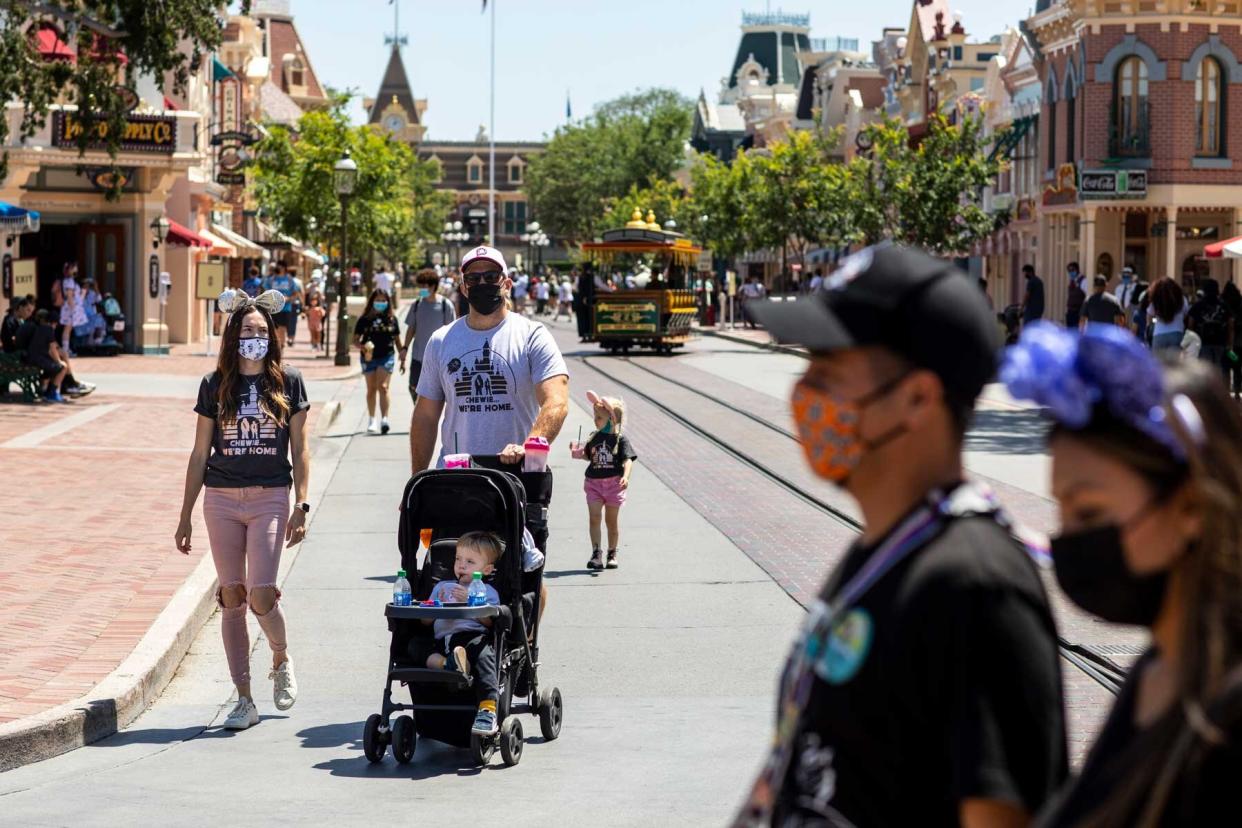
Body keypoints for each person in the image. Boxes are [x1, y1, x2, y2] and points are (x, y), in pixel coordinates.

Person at [737, 244, 1067, 827]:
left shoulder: (977, 586)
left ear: (917, 397)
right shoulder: (885, 550)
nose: (804, 391)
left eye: (829, 370)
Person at [1001, 324, 1242, 827]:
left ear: (1191, 506)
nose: (1067, 540)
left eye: (1089, 514)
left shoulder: (1227, 713)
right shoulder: (1159, 669)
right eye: (1062, 512)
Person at [175, 288, 309, 731]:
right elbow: (198, 453)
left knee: (261, 592)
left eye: (261, 330)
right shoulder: (215, 385)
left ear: (272, 336)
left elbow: (301, 449)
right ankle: (244, 698)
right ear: (233, 336)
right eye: (247, 330)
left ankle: (280, 655)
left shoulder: (288, 381)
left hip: (271, 495)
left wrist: (302, 502)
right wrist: (185, 513)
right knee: (231, 595)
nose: (255, 336)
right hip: (221, 498)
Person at [410, 245, 569, 472]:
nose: (482, 284)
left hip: (517, 477)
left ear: (506, 284)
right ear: (464, 288)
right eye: (473, 278)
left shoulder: (532, 335)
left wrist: (529, 446)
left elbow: (556, 400)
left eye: (491, 276)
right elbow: (425, 416)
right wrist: (417, 482)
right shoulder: (441, 341)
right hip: (457, 476)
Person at [410, 531, 504, 735]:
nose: (461, 565)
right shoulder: (442, 586)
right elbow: (425, 622)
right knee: (415, 646)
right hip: (441, 641)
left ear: (486, 569)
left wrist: (471, 601)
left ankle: (487, 708)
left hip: (470, 637)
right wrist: (433, 605)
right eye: (458, 559)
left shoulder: (487, 591)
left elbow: (489, 622)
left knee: (485, 655)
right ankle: (450, 664)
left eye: (470, 561)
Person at [574, 391, 635, 571]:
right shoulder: (594, 437)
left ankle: (612, 552)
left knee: (611, 521)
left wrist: (625, 476)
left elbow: (628, 460)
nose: (595, 420)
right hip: (594, 483)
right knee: (594, 518)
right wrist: (579, 453)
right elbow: (588, 456)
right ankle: (596, 553)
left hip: (614, 485)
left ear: (611, 419)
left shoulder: (620, 439)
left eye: (599, 417)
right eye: (595, 416)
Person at [401, 268, 456, 404]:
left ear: (433, 286)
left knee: (436, 393)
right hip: (418, 357)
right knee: (413, 387)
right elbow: (411, 329)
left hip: (438, 359)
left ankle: (430, 420)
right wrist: (404, 348)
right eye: (420, 286)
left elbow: (452, 333)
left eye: (424, 286)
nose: (421, 289)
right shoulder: (417, 305)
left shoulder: (445, 305)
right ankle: (419, 412)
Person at [354, 288, 401, 435]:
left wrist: (403, 356)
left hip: (386, 355)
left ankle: (385, 419)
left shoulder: (392, 319)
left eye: (383, 300)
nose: (381, 303)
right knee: (371, 388)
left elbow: (397, 340)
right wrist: (363, 347)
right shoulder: (364, 319)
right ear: (372, 301)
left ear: (388, 302)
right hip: (369, 357)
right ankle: (372, 419)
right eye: (378, 300)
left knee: (383, 386)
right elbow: (355, 340)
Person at [1187, 277, 1233, 379]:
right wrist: (1230, 343)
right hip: (1219, 342)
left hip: (1203, 342)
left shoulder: (1198, 305)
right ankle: (1217, 391)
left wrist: (1192, 341)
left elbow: (1190, 324)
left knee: (1204, 369)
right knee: (1218, 369)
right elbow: (1230, 325)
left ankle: (1207, 391)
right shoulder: (1223, 305)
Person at [23, 309, 69, 402]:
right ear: (54, 323)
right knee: (63, 367)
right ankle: (52, 393)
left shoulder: (40, 328)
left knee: (52, 368)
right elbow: (53, 348)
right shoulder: (49, 330)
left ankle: (45, 392)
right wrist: (59, 361)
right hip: (37, 359)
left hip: (32, 357)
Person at [1147, 277, 1189, 354]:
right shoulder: (1182, 300)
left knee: (1158, 364)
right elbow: (1185, 315)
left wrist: (1156, 321)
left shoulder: (1156, 301)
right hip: (1177, 333)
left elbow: (1150, 318)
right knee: (1174, 364)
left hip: (1159, 334)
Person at [58, 262, 86, 356]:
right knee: (67, 328)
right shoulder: (69, 281)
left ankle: (66, 349)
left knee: (68, 329)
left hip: (69, 308)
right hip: (70, 309)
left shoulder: (69, 281)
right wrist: (73, 308)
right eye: (74, 267)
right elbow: (69, 296)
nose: (76, 269)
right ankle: (65, 350)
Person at [267, 263, 297, 350]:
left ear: (284, 268)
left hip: (286, 307)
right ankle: (277, 345)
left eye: (280, 266)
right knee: (274, 328)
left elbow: (295, 293)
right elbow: (265, 291)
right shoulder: (271, 279)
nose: (278, 268)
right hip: (273, 307)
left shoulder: (289, 279)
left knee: (282, 327)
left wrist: (289, 298)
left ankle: (281, 346)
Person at [1223, 281, 1242, 398]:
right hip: (1239, 342)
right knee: (1237, 368)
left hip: (1227, 343)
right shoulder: (1240, 303)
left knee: (1226, 367)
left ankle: (1225, 391)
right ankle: (1236, 391)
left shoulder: (1224, 304)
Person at [1020, 263, 1045, 328]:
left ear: (1030, 272)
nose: (1024, 275)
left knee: (1027, 328)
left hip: (1031, 310)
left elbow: (1027, 295)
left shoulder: (1031, 282)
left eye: (1025, 273)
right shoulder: (1039, 281)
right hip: (1038, 310)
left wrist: (1021, 308)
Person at [285, 268, 304, 347]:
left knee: (285, 322)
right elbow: (302, 293)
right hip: (295, 304)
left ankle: (287, 338)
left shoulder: (286, 281)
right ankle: (291, 338)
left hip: (286, 303)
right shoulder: (299, 282)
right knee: (293, 322)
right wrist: (303, 304)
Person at [1065, 262, 1086, 329]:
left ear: (1077, 270)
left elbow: (1087, 296)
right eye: (1069, 271)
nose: (1071, 272)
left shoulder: (1083, 281)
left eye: (1072, 270)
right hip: (1070, 311)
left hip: (1078, 312)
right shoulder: (1072, 281)